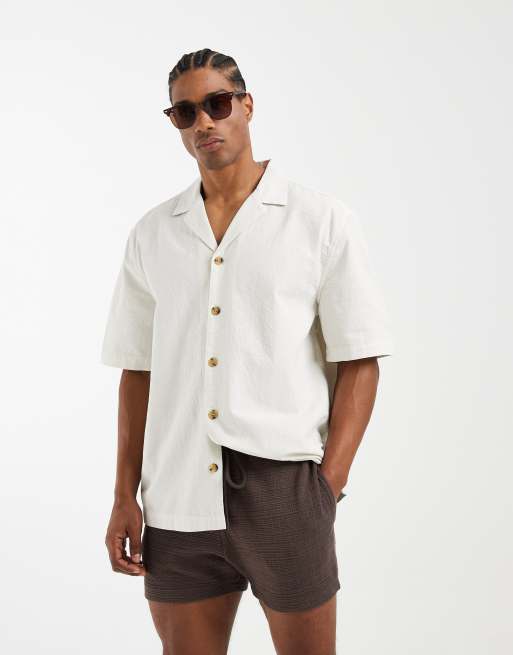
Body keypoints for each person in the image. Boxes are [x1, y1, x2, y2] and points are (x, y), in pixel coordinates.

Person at [101, 47, 394, 655]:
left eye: (217, 103)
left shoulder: (320, 221)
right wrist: (124, 495)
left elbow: (360, 359)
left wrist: (326, 487)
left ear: (247, 105)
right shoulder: (153, 233)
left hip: (284, 491)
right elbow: (138, 370)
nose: (203, 122)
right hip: (175, 496)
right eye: (185, 112)